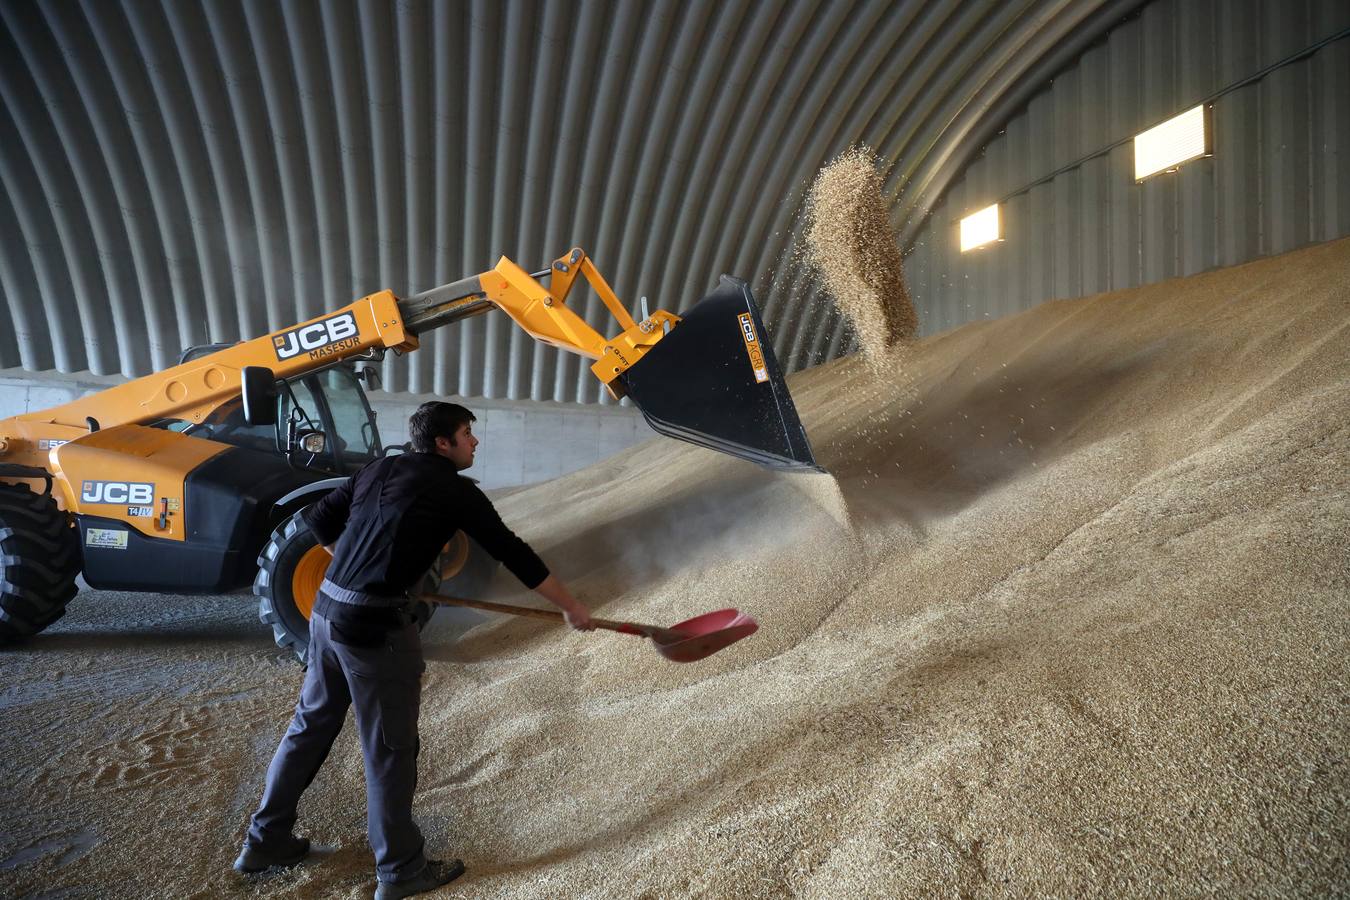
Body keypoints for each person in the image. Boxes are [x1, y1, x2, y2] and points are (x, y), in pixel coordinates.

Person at [234, 401, 594, 899]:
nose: (475, 442)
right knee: (389, 751)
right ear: (442, 443)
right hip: (374, 630)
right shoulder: (454, 491)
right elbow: (513, 553)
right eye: (467, 433)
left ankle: (264, 840)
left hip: (326, 614)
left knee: (310, 725)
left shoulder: (380, 467)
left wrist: (357, 571)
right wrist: (572, 607)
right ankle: (401, 872)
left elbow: (318, 518)